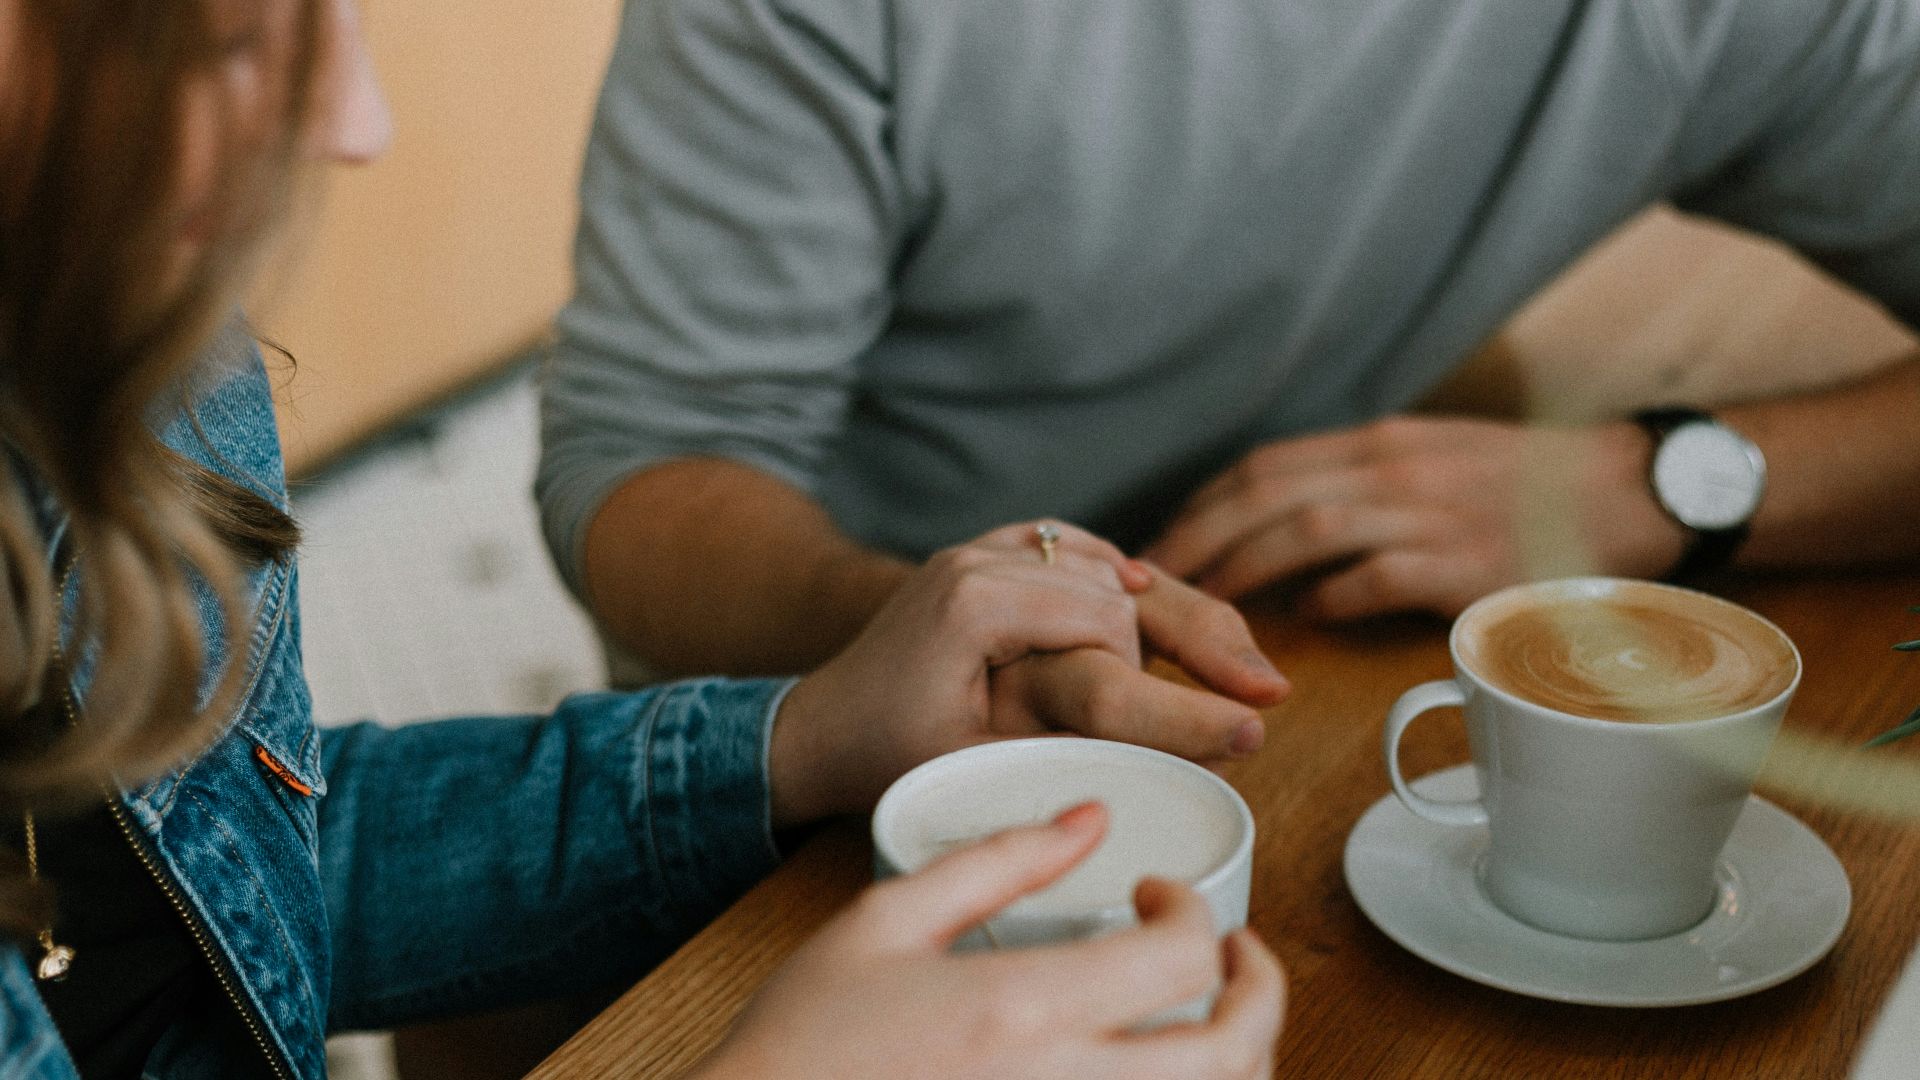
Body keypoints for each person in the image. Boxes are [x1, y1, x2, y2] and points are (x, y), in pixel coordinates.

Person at [0, 1, 1286, 1077]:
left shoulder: (107, 343)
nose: (354, 123)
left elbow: (231, 875)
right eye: (223, 37)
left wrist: (801, 741)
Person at [539, 0, 1920, 684]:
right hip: (822, 682)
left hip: (1301, 647)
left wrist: (1665, 483)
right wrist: (933, 631)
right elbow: (647, 466)